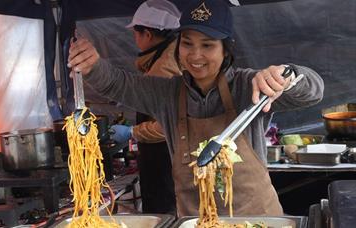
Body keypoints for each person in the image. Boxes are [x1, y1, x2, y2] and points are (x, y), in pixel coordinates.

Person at [68, 0, 324, 217]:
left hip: (256, 219)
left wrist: (287, 75)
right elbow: (117, 83)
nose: (195, 55)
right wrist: (93, 65)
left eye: (207, 45)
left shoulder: (248, 86)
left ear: (225, 50)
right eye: (187, 43)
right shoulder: (167, 94)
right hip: (196, 220)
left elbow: (313, 91)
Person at [109, 0, 181, 214]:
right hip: (161, 160)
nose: (135, 39)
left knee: (164, 213)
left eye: (136, 33)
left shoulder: (164, 67)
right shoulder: (166, 56)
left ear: (147, 34)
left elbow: (171, 124)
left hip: (166, 162)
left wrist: (132, 132)